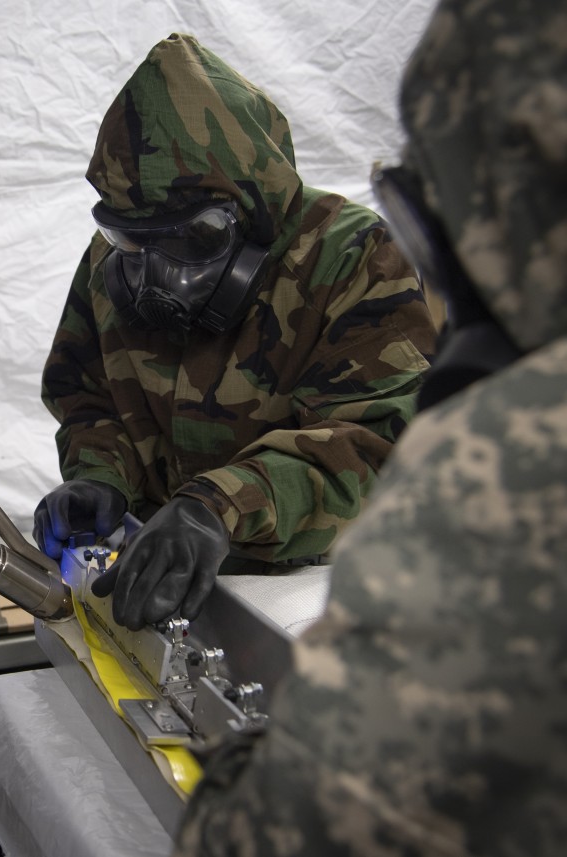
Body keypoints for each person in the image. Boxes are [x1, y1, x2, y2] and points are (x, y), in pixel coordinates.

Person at [171, 0, 567, 853]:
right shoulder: (121, 262)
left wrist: (255, 746)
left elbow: (279, 833)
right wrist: (96, 470)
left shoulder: (510, 462)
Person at [35, 34, 439, 631]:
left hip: (309, 588)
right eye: (131, 240)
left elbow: (375, 442)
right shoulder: (112, 262)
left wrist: (220, 506)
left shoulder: (350, 257)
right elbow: (88, 397)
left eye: (190, 239)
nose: (156, 274)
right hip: (154, 565)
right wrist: (99, 478)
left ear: (255, 212)